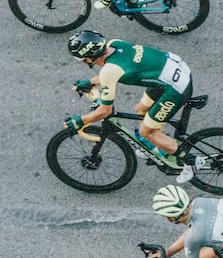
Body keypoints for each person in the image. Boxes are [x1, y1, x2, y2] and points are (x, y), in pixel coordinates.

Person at [66, 30, 195, 180]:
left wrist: (81, 120)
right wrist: (90, 82)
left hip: (175, 88)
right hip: (172, 70)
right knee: (141, 109)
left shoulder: (109, 70)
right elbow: (117, 70)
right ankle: (160, 144)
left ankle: (190, 161)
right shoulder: (114, 43)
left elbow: (105, 111)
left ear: (88, 59)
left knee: (147, 131)